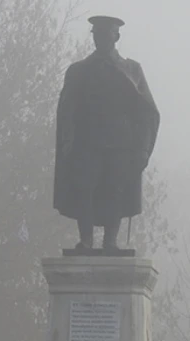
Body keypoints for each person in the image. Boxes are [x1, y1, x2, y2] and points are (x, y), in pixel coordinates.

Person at [53, 15, 160, 252]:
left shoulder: (132, 69)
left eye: (106, 33)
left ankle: (110, 241)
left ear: (116, 36)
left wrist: (143, 148)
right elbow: (67, 109)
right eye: (97, 34)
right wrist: (68, 141)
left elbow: (146, 112)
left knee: (115, 188)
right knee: (84, 188)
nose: (100, 38)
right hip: (86, 141)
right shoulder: (78, 71)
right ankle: (86, 240)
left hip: (121, 143)